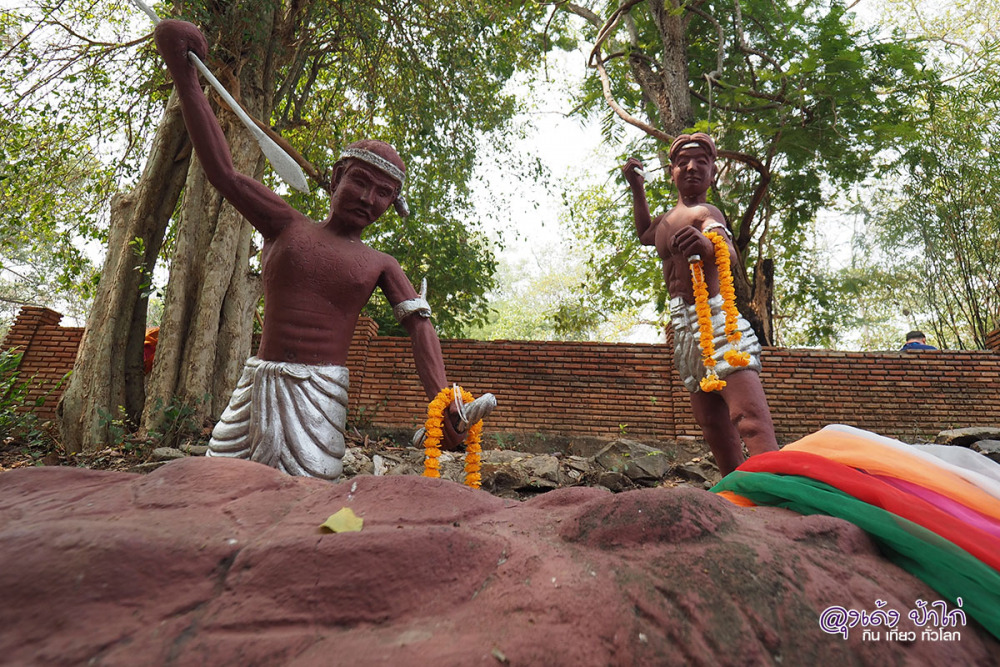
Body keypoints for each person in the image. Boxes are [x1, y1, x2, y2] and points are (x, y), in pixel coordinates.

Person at [155, 19, 467, 480]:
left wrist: (443, 402)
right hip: (257, 385)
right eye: (360, 181)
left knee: (305, 496)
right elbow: (224, 173)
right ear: (337, 177)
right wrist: (185, 74)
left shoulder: (381, 264)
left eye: (383, 193)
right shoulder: (285, 224)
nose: (367, 198)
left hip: (320, 399)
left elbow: (421, 328)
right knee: (219, 483)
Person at [622, 133, 778, 475]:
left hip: (716, 316)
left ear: (713, 173)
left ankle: (775, 486)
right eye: (682, 163)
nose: (691, 168)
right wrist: (637, 188)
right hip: (684, 325)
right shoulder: (666, 221)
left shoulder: (706, 212)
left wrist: (707, 247)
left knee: (748, 418)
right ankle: (735, 487)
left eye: (701, 163)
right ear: (671, 172)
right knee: (711, 423)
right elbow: (645, 233)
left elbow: (725, 245)